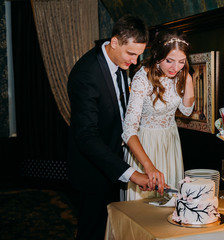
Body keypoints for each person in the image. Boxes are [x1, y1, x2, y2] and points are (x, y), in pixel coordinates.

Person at [67, 15, 164, 240]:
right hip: (92, 170)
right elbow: (87, 137)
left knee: (113, 230)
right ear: (114, 42)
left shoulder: (119, 61)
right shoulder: (86, 75)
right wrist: (132, 174)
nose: (134, 61)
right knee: (92, 231)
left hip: (115, 160)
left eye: (139, 55)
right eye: (131, 54)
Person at [122, 30, 195, 200]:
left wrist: (189, 80)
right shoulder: (142, 79)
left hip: (170, 142)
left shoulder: (181, 75)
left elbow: (186, 110)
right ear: (157, 55)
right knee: (144, 205)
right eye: (169, 61)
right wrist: (148, 166)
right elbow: (128, 130)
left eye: (181, 62)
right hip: (146, 143)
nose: (175, 68)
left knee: (170, 203)